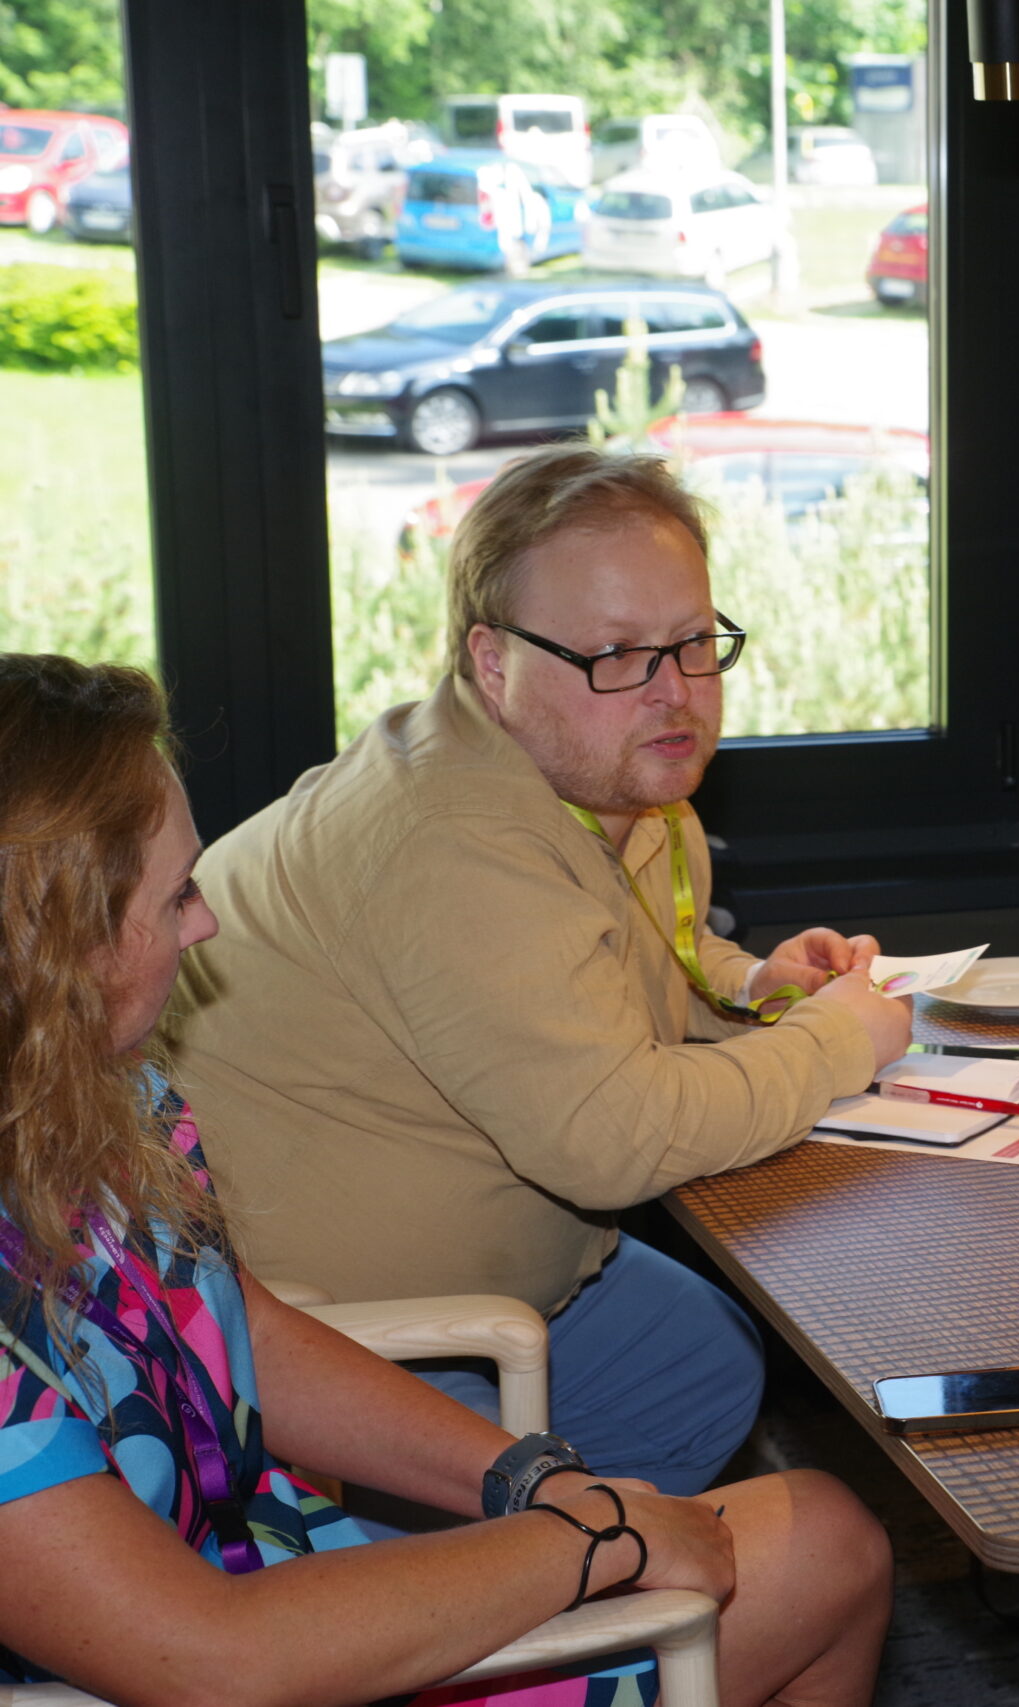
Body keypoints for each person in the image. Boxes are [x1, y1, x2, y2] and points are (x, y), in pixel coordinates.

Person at [0, 653, 893, 1706]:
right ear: (56, 944)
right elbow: (216, 1659)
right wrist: (592, 1538)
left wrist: (536, 1479)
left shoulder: (102, 1099)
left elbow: (246, 1334)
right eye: (177, 895)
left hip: (282, 1565)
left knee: (825, 1536)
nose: (206, 924)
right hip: (253, 1647)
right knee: (819, 1546)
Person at [161, 445, 914, 1497]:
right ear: (491, 660)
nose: (674, 692)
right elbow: (614, 1138)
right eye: (615, 654)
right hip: (309, 1343)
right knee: (728, 1408)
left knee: (704, 1359)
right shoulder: (450, 839)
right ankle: (513, 1581)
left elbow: (598, 957)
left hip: (507, 1276)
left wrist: (752, 986)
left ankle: (594, 1562)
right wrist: (836, 1043)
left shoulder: (602, 780)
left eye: (695, 642)